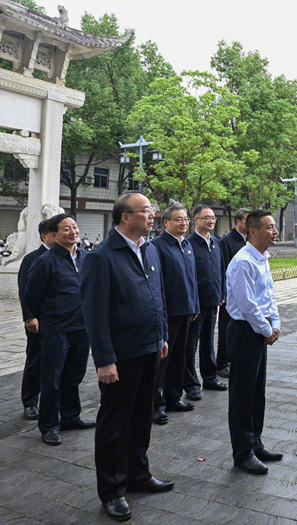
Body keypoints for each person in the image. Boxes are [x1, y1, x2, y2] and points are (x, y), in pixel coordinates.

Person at [82, 192, 172, 522]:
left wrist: (161, 335)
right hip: (121, 355)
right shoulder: (102, 256)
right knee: (115, 424)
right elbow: (94, 313)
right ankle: (111, 490)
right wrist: (104, 359)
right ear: (126, 217)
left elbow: (157, 296)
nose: (153, 215)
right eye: (146, 211)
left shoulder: (149, 249)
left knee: (141, 417)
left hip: (149, 348)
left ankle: (138, 474)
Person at [24, 213, 94, 445]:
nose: (73, 232)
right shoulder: (44, 261)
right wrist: (39, 317)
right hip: (56, 329)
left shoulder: (86, 257)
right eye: (66, 229)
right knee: (52, 380)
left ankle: (71, 417)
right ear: (53, 235)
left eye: (74, 227)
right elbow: (32, 296)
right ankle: (49, 426)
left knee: (73, 377)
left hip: (82, 327)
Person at [226, 209, 282, 475]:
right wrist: (265, 329)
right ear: (252, 231)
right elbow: (247, 304)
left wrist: (275, 323)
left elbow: (268, 295)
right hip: (244, 332)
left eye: (274, 226)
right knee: (242, 395)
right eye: (269, 227)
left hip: (259, 330)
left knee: (257, 393)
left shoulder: (262, 258)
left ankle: (255, 443)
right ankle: (242, 453)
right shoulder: (243, 262)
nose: (275, 231)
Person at [150, 203, 200, 424]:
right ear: (166, 222)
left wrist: (194, 304)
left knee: (180, 357)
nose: (184, 223)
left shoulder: (187, 244)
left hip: (186, 310)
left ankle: (173, 397)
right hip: (168, 312)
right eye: (178, 219)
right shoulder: (156, 246)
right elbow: (157, 283)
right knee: (162, 360)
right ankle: (155, 405)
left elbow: (192, 278)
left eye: (186, 219)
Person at [184, 205, 227, 399]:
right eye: (206, 217)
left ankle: (210, 378)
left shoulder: (217, 243)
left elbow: (221, 270)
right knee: (191, 344)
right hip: (195, 303)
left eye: (213, 218)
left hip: (213, 300)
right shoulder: (189, 244)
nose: (211, 221)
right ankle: (191, 384)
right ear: (196, 220)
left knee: (208, 342)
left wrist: (222, 292)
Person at [17, 218, 54, 420]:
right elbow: (25, 290)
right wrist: (29, 317)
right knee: (36, 360)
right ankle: (30, 401)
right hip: (39, 320)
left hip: (62, 320)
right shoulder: (32, 259)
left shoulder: (70, 256)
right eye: (55, 232)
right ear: (44, 236)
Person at [217, 208, 249, 379]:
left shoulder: (248, 240)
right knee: (226, 328)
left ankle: (235, 359)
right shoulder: (227, 241)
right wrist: (223, 293)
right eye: (246, 220)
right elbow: (223, 268)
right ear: (238, 221)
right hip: (230, 294)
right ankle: (222, 362)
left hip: (244, 292)